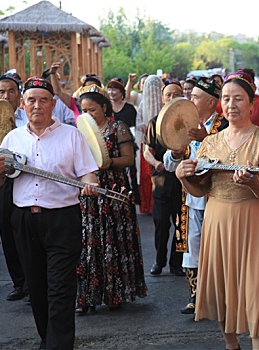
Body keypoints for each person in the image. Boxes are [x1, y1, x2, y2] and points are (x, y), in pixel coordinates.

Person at [0, 77, 99, 350]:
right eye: (31, 100)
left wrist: (92, 186)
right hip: (23, 219)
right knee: (37, 288)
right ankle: (48, 340)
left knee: (60, 288)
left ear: (53, 104)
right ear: (22, 105)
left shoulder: (71, 135)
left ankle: (58, 346)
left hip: (62, 218)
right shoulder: (12, 138)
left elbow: (88, 173)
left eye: (43, 100)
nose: (37, 105)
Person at [175, 71, 259, 350]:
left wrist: (254, 181)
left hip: (252, 220)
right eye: (226, 99)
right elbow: (200, 189)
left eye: (238, 99)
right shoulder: (210, 141)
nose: (231, 105)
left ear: (251, 103)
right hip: (217, 219)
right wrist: (184, 176)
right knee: (223, 286)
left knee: (256, 288)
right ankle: (231, 345)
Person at [75, 85, 147, 313]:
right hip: (88, 191)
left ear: (104, 108)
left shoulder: (118, 128)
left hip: (114, 190)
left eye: (93, 110)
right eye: (84, 110)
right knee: (88, 241)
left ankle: (115, 293)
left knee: (114, 239)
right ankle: (86, 296)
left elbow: (127, 159)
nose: (88, 114)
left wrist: (107, 164)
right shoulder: (79, 131)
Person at [163, 76, 227, 314]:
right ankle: (196, 296)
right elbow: (168, 164)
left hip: (218, 195)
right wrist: (177, 154)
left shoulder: (224, 126)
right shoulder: (183, 123)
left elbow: (232, 157)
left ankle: (220, 295)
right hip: (190, 198)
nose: (190, 99)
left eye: (196, 96)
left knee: (219, 246)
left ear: (211, 102)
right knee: (193, 246)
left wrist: (206, 139)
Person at [0, 73, 28, 301]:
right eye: (1, 92)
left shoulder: (28, 118)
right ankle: (19, 283)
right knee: (6, 229)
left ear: (19, 95)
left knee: (28, 231)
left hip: (27, 179)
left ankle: (36, 283)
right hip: (2, 181)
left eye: (10, 91)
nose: (6, 96)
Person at [143, 79, 185, 276]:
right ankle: (159, 261)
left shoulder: (188, 121)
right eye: (168, 95)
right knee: (160, 222)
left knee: (180, 222)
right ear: (162, 98)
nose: (171, 98)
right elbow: (146, 151)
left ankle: (176, 262)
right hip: (160, 179)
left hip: (182, 180)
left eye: (176, 94)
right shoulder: (154, 122)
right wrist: (155, 163)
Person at [107, 77, 141, 205]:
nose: (111, 92)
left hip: (127, 144)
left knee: (131, 171)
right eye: (109, 89)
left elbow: (133, 127)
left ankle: (133, 196)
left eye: (114, 89)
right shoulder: (106, 108)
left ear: (122, 92)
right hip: (110, 145)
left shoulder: (129, 108)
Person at [136, 75, 163, 215]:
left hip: (161, 144)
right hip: (148, 143)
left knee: (157, 176)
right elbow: (139, 121)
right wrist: (144, 127)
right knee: (148, 176)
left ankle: (155, 205)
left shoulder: (165, 102)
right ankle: (148, 205)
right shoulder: (143, 103)